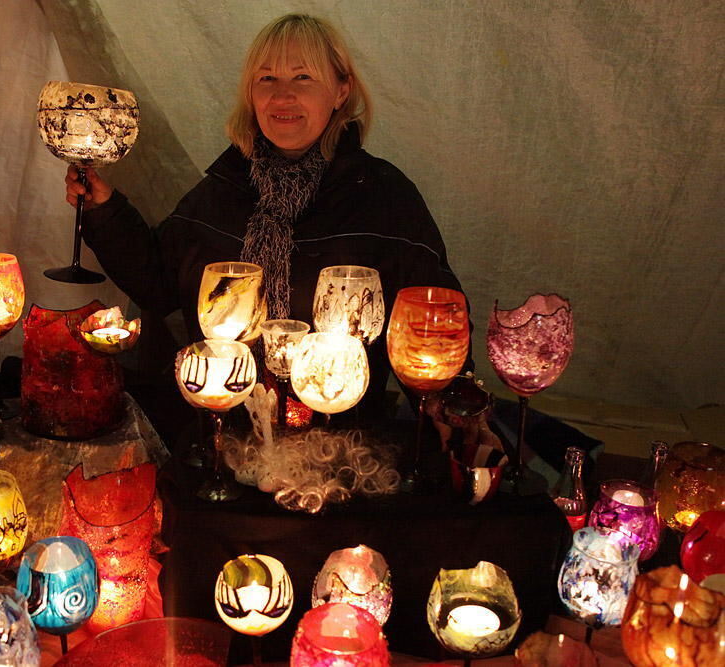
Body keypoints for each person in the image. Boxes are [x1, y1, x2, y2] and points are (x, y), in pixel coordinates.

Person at [66, 13, 467, 432]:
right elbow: (157, 282)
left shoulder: (383, 196)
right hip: (227, 425)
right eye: (267, 79)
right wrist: (104, 209)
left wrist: (452, 406)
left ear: (341, 90)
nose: (282, 96)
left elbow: (436, 317)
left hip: (343, 437)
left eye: (303, 77)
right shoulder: (224, 189)